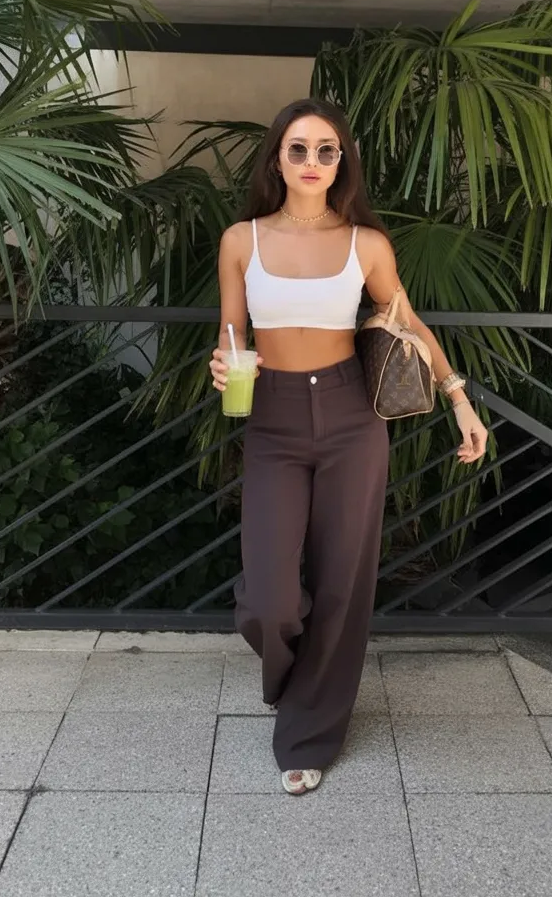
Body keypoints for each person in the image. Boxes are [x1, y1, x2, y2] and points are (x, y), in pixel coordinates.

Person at [209, 97, 488, 795]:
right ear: (277, 160)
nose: (312, 161)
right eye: (298, 148)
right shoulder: (241, 240)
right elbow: (232, 332)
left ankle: (307, 732)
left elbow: (408, 324)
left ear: (341, 162)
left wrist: (459, 399)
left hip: (350, 414)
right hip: (271, 415)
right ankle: (295, 677)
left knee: (343, 580)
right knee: (268, 598)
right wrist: (223, 366)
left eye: (325, 150)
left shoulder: (367, 244)